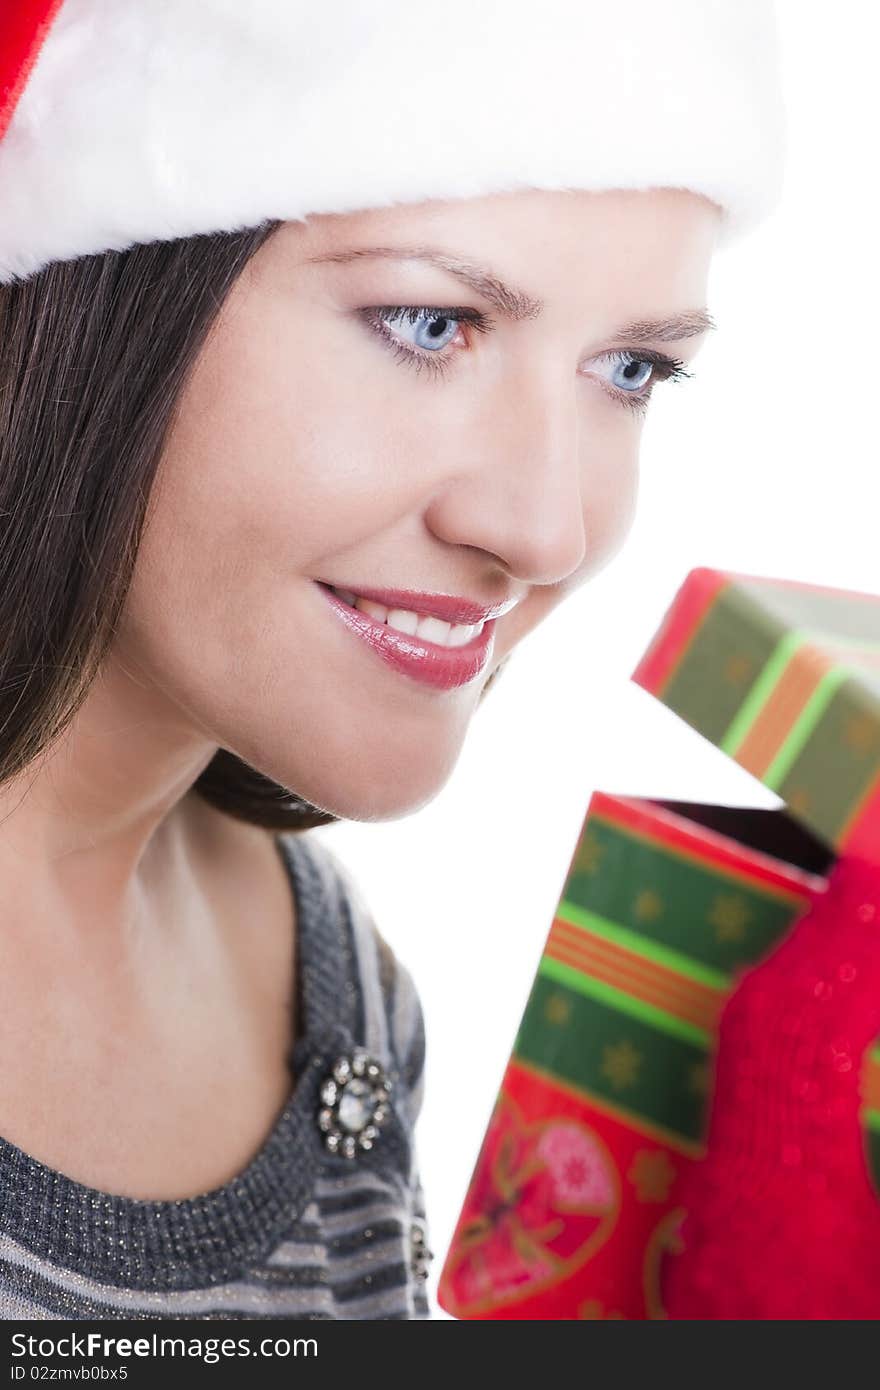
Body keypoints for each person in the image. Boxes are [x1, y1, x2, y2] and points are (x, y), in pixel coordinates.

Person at [0, 0, 785, 1319]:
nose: (545, 527)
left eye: (632, 368)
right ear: (101, 283)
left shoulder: (336, 983)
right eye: (430, 324)